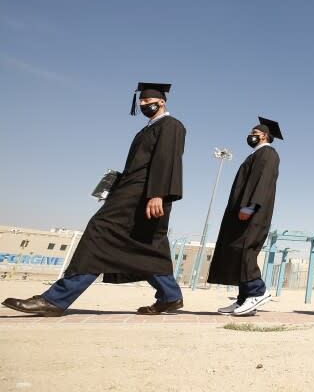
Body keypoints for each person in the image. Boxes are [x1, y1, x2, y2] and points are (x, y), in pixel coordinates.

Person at [3, 82, 186, 316]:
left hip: (144, 193)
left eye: (147, 101)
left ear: (161, 101)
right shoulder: (146, 129)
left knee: (99, 232)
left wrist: (158, 194)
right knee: (147, 245)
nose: (143, 104)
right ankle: (170, 296)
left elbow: (167, 160)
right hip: (130, 191)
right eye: (140, 101)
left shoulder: (171, 125)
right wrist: (113, 187)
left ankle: (56, 299)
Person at [208, 117, 281, 316]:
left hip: (253, 212)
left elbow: (262, 182)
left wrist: (250, 206)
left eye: (254, 133)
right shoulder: (255, 155)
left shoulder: (268, 153)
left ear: (264, 135)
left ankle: (258, 291)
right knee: (235, 250)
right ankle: (244, 300)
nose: (250, 136)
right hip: (241, 211)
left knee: (245, 250)